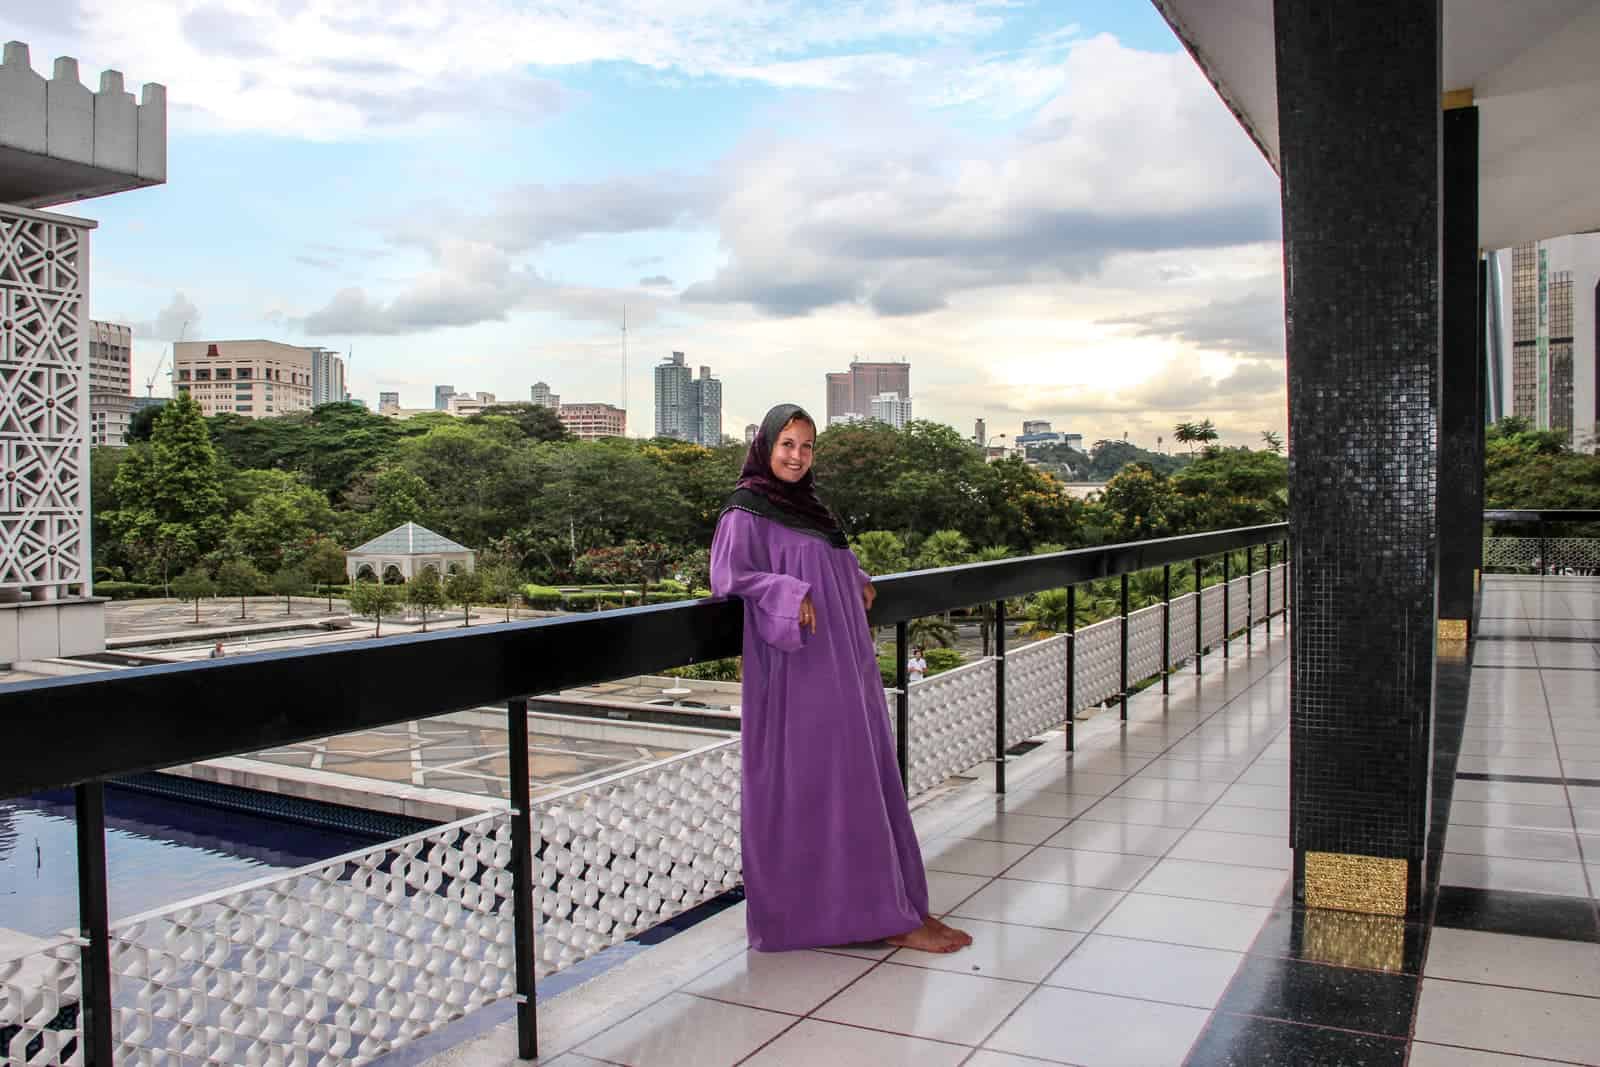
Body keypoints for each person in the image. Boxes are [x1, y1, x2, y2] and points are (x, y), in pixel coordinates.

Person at [711, 403, 971, 955]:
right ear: (765, 446)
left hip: (841, 663)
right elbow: (729, 578)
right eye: (787, 445)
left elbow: (819, 560)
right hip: (797, 671)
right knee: (827, 784)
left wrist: (853, 574)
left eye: (806, 447)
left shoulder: (809, 508)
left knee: (862, 775)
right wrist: (785, 593)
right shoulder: (745, 511)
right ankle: (870, 915)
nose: (797, 457)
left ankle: (896, 905)